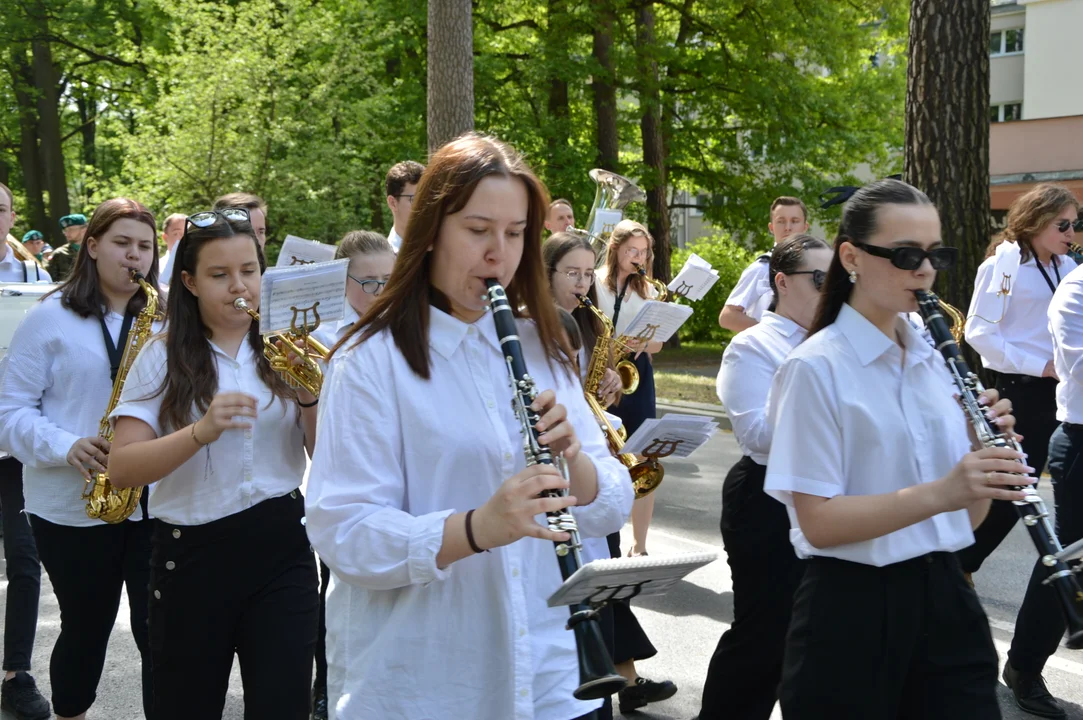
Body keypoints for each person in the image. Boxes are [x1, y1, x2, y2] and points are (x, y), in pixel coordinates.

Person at [305, 133, 633, 720]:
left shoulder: (544, 346)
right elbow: (345, 533)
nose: (498, 255)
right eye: (478, 231)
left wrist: (574, 460)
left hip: (554, 678)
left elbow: (607, 505)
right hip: (431, 685)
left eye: (515, 235)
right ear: (430, 231)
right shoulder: (370, 361)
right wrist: (478, 527)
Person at [764, 179, 1027, 719]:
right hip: (852, 611)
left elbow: (968, 520)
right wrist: (944, 489)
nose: (925, 271)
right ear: (851, 256)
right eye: (907, 255)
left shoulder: (938, 360)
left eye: (935, 255)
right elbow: (818, 522)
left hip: (947, 597)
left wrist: (981, 460)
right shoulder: (814, 368)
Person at [107, 207, 320, 719]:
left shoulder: (289, 349)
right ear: (189, 282)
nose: (238, 287)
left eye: (249, 271)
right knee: (186, 706)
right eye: (220, 275)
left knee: (282, 706)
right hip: (193, 556)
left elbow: (326, 458)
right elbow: (122, 468)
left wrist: (309, 397)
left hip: (282, 545)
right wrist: (199, 432)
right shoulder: (161, 355)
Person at [0, 197, 163, 720]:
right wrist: (65, 445)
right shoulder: (50, 318)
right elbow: (8, 411)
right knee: (86, 628)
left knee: (162, 630)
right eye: (121, 243)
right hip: (72, 506)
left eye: (144, 245)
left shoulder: (162, 319)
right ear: (91, 247)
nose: (134, 256)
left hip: (151, 503)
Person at [543, 231, 676, 716]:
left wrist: (609, 384)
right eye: (571, 273)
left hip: (593, 463)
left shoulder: (593, 325)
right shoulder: (532, 325)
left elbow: (604, 396)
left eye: (584, 273)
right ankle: (620, 677)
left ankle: (620, 677)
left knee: (606, 570)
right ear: (547, 273)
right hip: (557, 468)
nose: (581, 283)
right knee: (596, 577)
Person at [699, 234, 830, 720]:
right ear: (781, 282)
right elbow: (755, 434)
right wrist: (833, 415)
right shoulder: (753, 344)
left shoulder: (838, 338)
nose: (831, 288)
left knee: (819, 639)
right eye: (819, 278)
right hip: (766, 501)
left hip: (829, 498)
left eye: (838, 278)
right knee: (764, 638)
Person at [981, 186, 1082, 719]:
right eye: (1062, 224)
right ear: (1034, 220)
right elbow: (980, 331)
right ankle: (942, 588)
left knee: (1042, 524)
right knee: (1001, 511)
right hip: (1020, 393)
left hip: (1059, 397)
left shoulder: (1065, 266)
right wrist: (1035, 364)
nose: (1070, 234)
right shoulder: (1005, 263)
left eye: (1074, 224)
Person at [308, 228, 394, 720]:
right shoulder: (321, 335)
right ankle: (327, 686)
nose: (382, 292)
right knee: (337, 593)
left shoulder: (403, 326)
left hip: (392, 477)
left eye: (390, 280)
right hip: (339, 483)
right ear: (343, 282)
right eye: (371, 283)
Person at [0, 179, 50, 720]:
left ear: (13, 216)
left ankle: (17, 672)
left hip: (11, 439)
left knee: (25, 557)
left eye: (1, 208)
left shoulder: (34, 275)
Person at [1029, 262, 1083, 720]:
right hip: (1081, 438)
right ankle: (1025, 668)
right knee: (1071, 561)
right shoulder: (1077, 288)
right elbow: (1080, 362)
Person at [594, 219, 664, 558]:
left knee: (642, 455)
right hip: (603, 373)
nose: (638, 257)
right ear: (615, 249)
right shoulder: (595, 283)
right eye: (631, 250)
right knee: (606, 454)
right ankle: (606, 541)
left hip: (637, 375)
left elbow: (659, 345)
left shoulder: (647, 290)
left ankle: (640, 544)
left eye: (643, 252)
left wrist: (644, 343)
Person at [718, 197, 809, 333]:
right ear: (771, 227)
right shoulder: (762, 268)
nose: (788, 228)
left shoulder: (816, 268)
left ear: (805, 227)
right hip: (769, 352)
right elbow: (728, 317)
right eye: (781, 221)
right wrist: (770, 334)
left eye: (794, 221)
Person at [383, 160, 425, 253]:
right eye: (415, 200)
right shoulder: (383, 262)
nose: (424, 206)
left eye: (427, 198)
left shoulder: (442, 253)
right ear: (393, 203)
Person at [46, 214, 89, 281]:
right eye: (65, 230)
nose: (66, 233)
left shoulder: (95, 251)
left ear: (84, 229)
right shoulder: (59, 254)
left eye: (70, 229)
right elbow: (50, 280)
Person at [156, 212, 188, 286]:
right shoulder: (157, 268)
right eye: (176, 234)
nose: (183, 238)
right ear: (165, 238)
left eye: (187, 233)